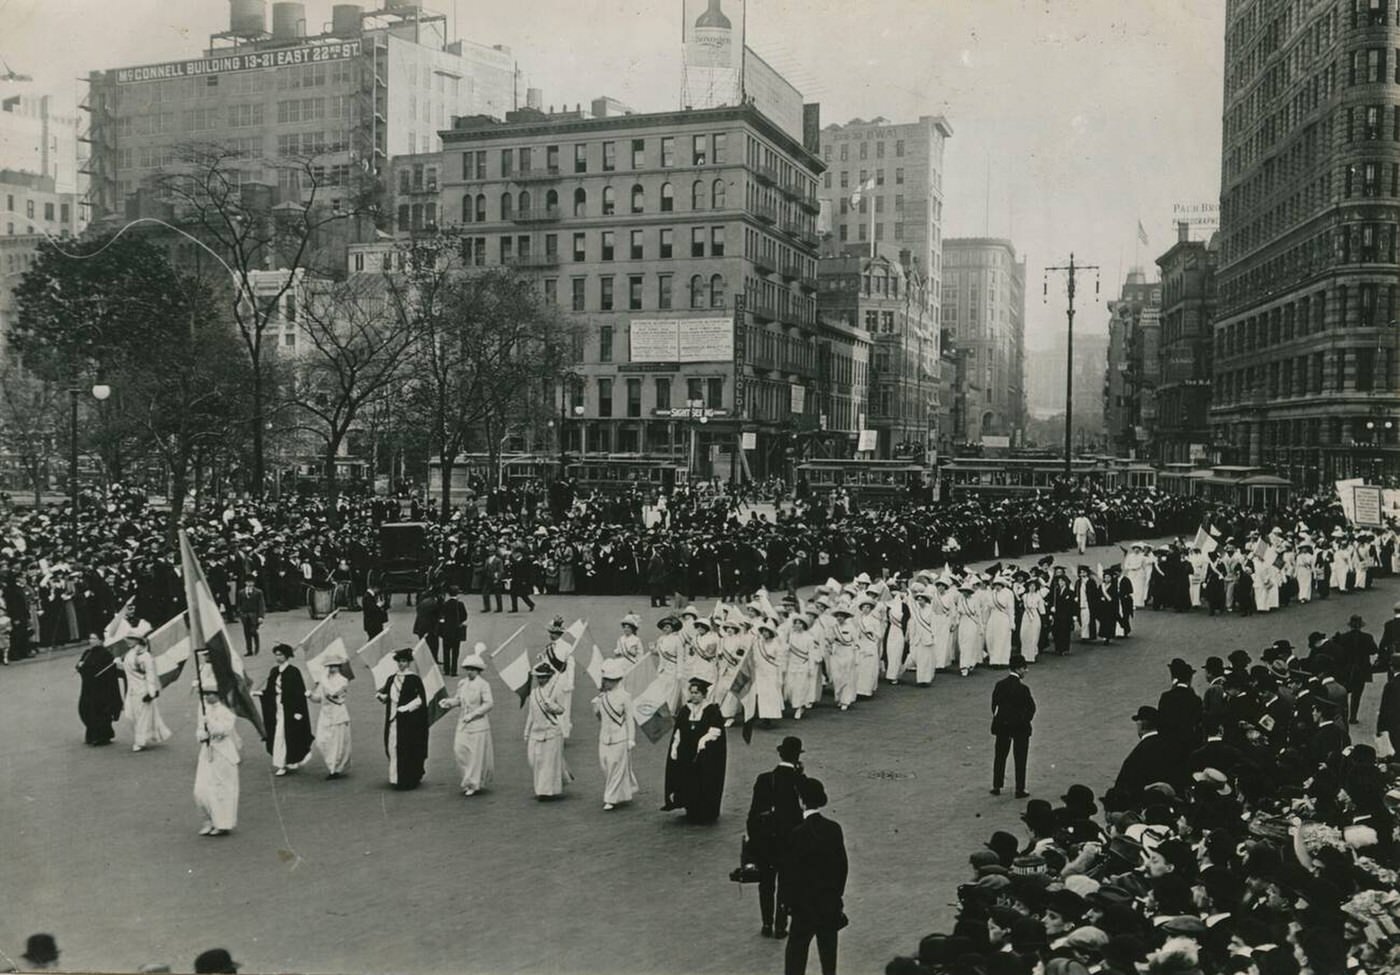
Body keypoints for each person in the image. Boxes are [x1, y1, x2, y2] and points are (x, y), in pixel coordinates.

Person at [783, 777, 848, 975]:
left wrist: (787, 902)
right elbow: (842, 868)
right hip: (828, 904)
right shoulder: (833, 829)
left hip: (804, 907)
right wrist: (836, 896)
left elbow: (790, 874)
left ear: (802, 801)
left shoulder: (797, 833)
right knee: (828, 956)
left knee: (796, 952)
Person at [747, 735, 806, 939]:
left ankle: (766, 923)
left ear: (780, 754)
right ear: (797, 756)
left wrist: (754, 842)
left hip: (767, 842)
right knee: (786, 885)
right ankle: (781, 926)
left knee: (766, 884)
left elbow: (753, 815)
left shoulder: (765, 779)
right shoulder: (800, 781)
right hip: (790, 843)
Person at [663, 676, 728, 822]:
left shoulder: (712, 710)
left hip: (704, 755)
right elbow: (678, 730)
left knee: (703, 782)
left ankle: (705, 811)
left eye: (696, 693)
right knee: (687, 780)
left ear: (703, 694)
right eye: (691, 692)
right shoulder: (685, 710)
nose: (693, 695)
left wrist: (703, 741)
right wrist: (675, 746)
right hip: (686, 753)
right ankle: (690, 808)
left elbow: (715, 731)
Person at [439, 647, 494, 796]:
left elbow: (489, 703)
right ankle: (467, 778)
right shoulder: (462, 683)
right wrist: (449, 702)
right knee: (460, 751)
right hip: (463, 724)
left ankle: (472, 783)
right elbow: (459, 700)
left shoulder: (483, 685)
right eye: (468, 669)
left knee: (475, 755)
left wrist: (474, 714)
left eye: (473, 669)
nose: (469, 672)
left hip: (478, 725)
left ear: (478, 670)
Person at [1108, 705, 1184, 808]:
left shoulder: (1137, 754)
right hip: (1174, 803)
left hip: (1147, 806)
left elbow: (1124, 787)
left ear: (1141, 724)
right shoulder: (1173, 747)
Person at [257, 643, 314, 776]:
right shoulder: (274, 671)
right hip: (276, 707)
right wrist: (261, 694)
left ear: (287, 656)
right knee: (278, 734)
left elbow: (299, 692)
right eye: (276, 655)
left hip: (290, 708)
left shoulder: (294, 672)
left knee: (287, 734)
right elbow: (270, 690)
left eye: (280, 654)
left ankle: (287, 761)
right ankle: (282, 762)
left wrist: (299, 711)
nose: (278, 657)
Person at [376, 648, 428, 790]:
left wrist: (407, 708)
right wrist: (382, 697)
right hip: (393, 720)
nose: (401, 664)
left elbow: (420, 699)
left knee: (406, 748)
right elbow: (389, 697)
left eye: (404, 661)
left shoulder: (414, 679)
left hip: (408, 722)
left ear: (409, 662)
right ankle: (395, 777)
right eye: (399, 661)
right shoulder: (392, 678)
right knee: (392, 747)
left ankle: (407, 778)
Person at [193, 685, 241, 837]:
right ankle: (208, 821)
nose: (206, 697)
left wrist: (210, 724)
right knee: (200, 790)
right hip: (207, 752)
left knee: (221, 789)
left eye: (210, 694)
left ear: (219, 695)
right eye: (205, 693)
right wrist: (202, 734)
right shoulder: (203, 709)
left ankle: (222, 823)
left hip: (223, 754)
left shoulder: (226, 712)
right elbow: (200, 729)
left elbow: (224, 730)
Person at [592, 657, 637, 810]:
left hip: (620, 737)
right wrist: (596, 707)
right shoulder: (602, 697)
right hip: (604, 738)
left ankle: (610, 798)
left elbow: (630, 719)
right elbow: (600, 719)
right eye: (606, 680)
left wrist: (631, 739)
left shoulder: (625, 697)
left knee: (616, 767)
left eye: (609, 680)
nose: (606, 683)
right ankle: (623, 793)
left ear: (617, 680)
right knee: (606, 766)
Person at [990, 654, 1035, 798]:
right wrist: (1024, 720)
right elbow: (1031, 708)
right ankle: (1019, 788)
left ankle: (997, 785)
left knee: (1000, 756)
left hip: (1002, 726)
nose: (1026, 671)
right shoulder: (1023, 689)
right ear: (1019, 669)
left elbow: (994, 706)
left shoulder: (1000, 685)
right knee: (1020, 757)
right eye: (1024, 668)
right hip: (1019, 728)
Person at [524, 659, 570, 798]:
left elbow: (562, 709)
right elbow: (531, 714)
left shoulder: (556, 690)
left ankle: (545, 791)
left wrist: (552, 706)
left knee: (548, 762)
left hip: (552, 731)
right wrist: (526, 731)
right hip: (536, 732)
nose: (541, 679)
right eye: (539, 677)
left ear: (549, 677)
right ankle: (559, 779)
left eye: (544, 677)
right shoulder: (534, 693)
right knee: (534, 761)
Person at [307, 648, 351, 779]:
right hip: (325, 714)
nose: (331, 668)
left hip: (338, 714)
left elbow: (333, 693)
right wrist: (310, 695)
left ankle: (334, 769)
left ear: (339, 667)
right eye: (329, 666)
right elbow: (319, 699)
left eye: (334, 666)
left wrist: (323, 679)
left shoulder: (343, 680)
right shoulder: (325, 681)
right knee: (321, 740)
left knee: (336, 742)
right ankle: (334, 765)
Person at [123, 636, 172, 752]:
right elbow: (127, 670)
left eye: (131, 639)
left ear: (137, 640)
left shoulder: (145, 656)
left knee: (142, 716)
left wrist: (151, 692)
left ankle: (140, 741)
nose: (127, 641)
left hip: (143, 689)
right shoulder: (129, 653)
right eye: (127, 639)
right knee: (132, 715)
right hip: (131, 689)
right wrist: (118, 664)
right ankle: (156, 734)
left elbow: (150, 674)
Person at [76, 637, 126, 745]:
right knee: (85, 710)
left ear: (100, 641)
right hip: (88, 688)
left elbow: (110, 671)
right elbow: (80, 665)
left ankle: (102, 736)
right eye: (90, 638)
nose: (91, 641)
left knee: (100, 711)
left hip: (102, 689)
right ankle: (92, 734)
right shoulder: (87, 653)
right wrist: (79, 666)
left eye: (94, 638)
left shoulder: (106, 654)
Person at [1334, 614, 1380, 724]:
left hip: (1346, 669)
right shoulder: (1367, 637)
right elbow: (1374, 650)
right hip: (1361, 669)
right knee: (1357, 694)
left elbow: (1337, 651)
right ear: (1360, 626)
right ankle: (1353, 717)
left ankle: (1342, 714)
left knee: (1344, 692)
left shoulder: (1343, 637)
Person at [438, 585, 468, 677]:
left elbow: (441, 616)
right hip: (456, 631)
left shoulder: (445, 604)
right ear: (457, 594)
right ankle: (454, 671)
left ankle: (446, 670)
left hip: (446, 631)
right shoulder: (460, 604)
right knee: (455, 652)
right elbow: (465, 616)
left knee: (446, 651)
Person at [235, 579, 265, 657]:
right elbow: (239, 604)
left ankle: (256, 647)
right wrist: (240, 613)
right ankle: (249, 650)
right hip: (245, 615)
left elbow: (261, 605)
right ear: (245, 583)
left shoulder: (258, 592)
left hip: (254, 615)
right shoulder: (241, 592)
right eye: (248, 582)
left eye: (251, 582)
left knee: (253, 631)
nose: (250, 583)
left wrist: (261, 616)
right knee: (246, 633)